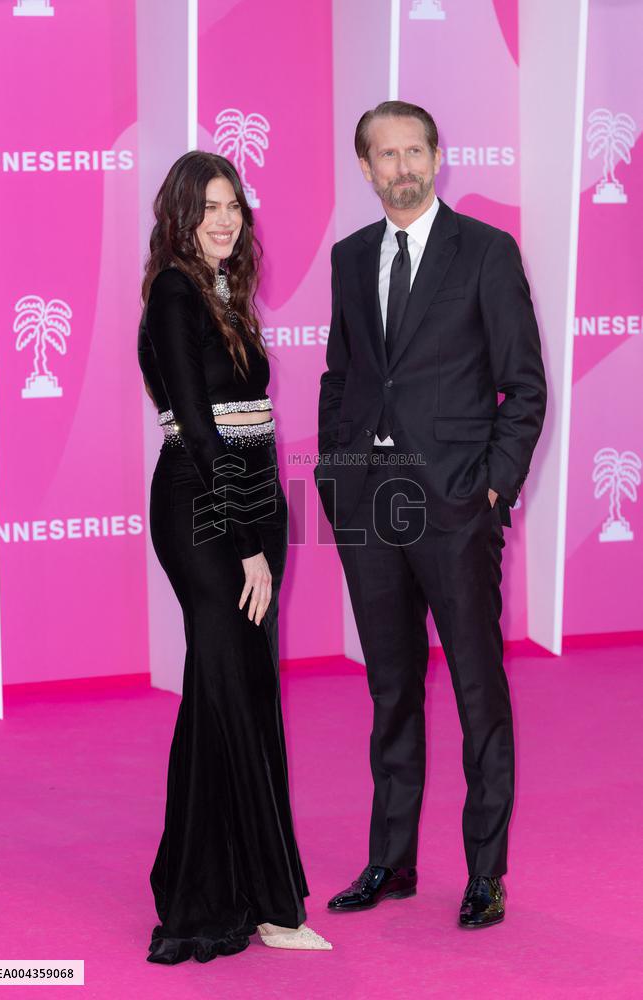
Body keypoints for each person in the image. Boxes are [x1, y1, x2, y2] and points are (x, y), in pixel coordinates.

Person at [315, 101, 547, 929]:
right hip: (368, 503)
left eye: (415, 151)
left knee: (478, 690)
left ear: (438, 157)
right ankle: (392, 862)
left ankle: (486, 874)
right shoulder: (349, 258)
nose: (402, 167)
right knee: (391, 689)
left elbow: (524, 388)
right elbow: (341, 375)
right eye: (386, 155)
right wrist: (334, 472)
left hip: (454, 506)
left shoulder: (485, 252)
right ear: (366, 167)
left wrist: (492, 488)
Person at [138, 151, 331, 963]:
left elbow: (248, 419)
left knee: (240, 690)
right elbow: (200, 425)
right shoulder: (175, 295)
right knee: (228, 687)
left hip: (251, 505)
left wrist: (267, 520)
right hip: (204, 512)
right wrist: (250, 543)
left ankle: (203, 879)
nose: (224, 221)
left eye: (233, 207)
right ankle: (268, 907)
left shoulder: (226, 294)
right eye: (208, 208)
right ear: (179, 218)